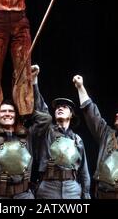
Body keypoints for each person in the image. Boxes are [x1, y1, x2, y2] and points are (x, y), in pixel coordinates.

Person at [0, 65, 50, 199]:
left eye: (11, 111)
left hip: (24, 195)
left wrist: (25, 110)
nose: (7, 114)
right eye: (3, 111)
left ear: (16, 115)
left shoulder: (27, 136)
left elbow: (46, 119)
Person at [32, 66, 91, 199]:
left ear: (71, 114)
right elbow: (41, 109)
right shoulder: (46, 132)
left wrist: (86, 194)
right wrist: (34, 80)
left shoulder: (77, 139)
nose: (60, 108)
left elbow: (84, 170)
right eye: (57, 107)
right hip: (48, 187)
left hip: (72, 188)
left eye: (64, 107)